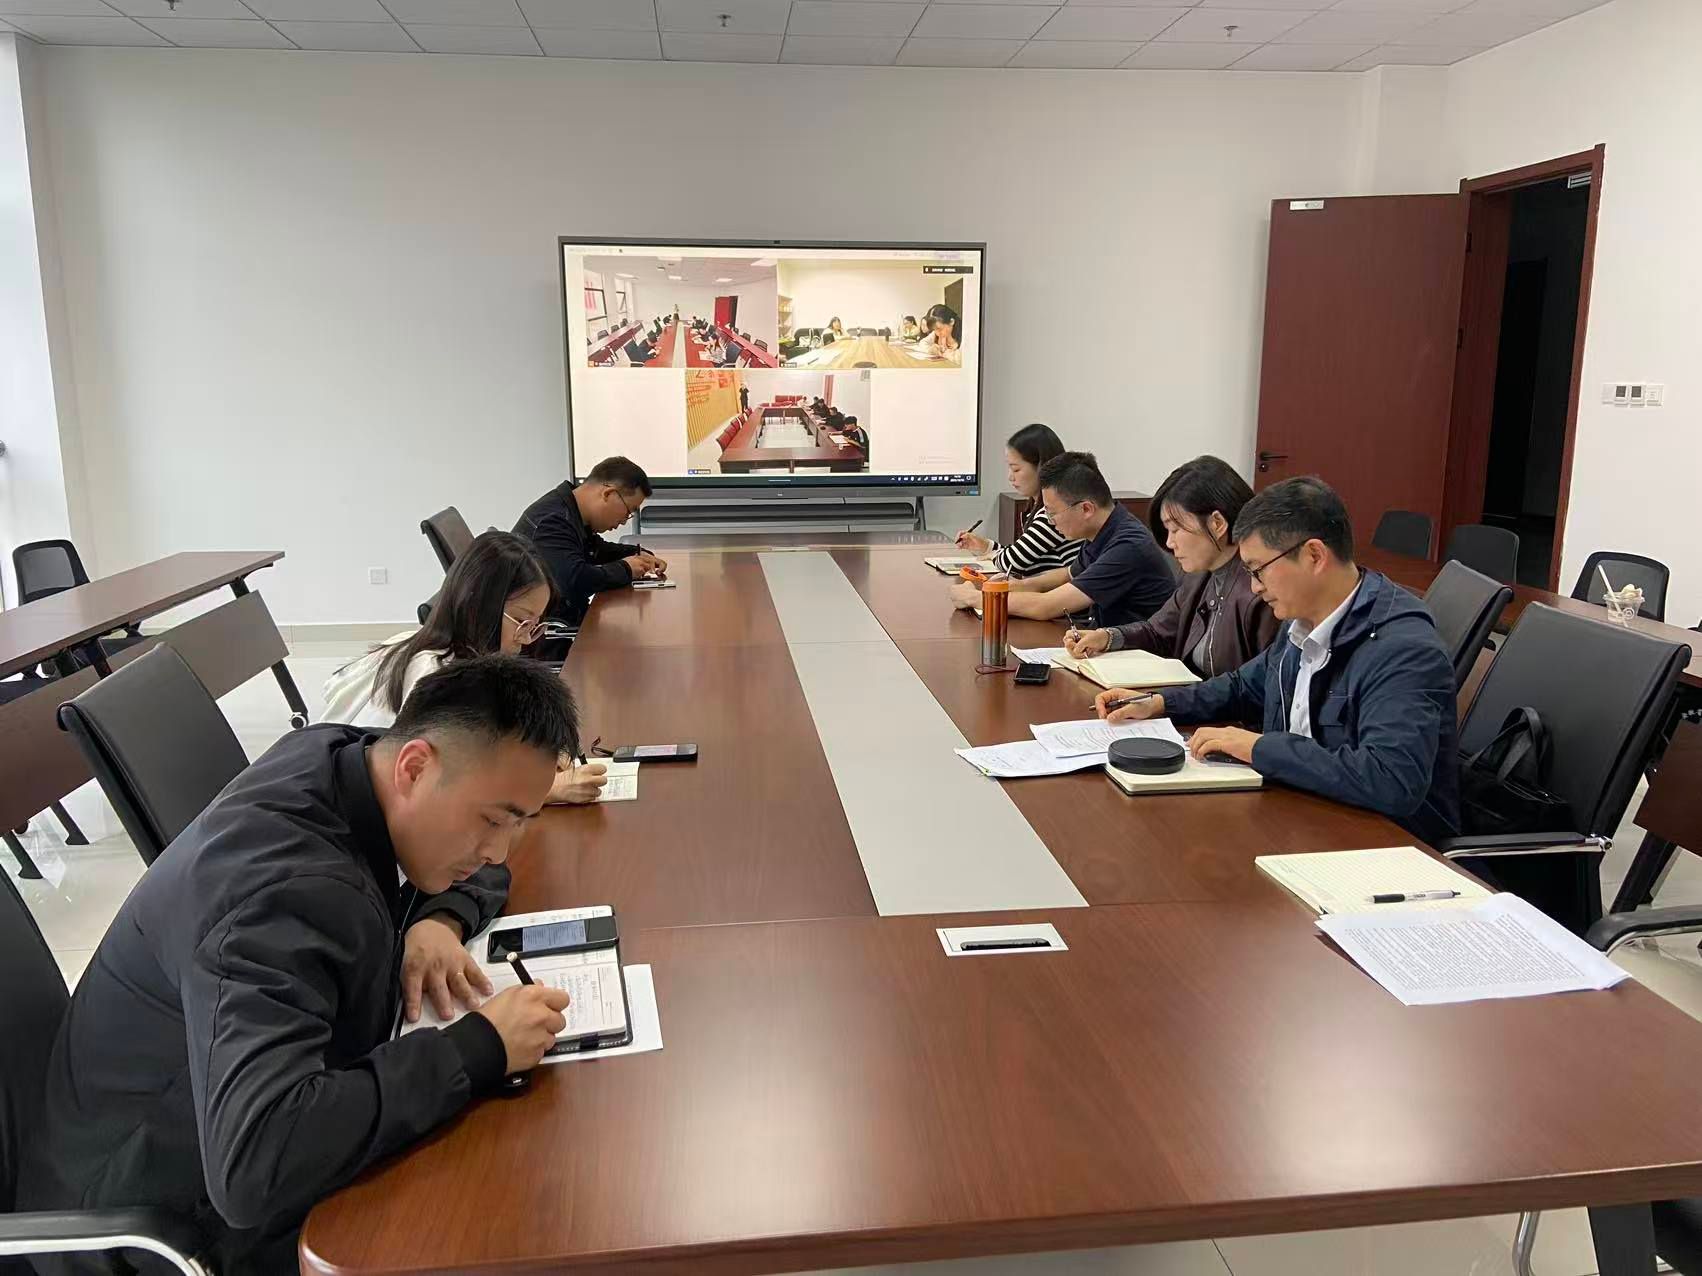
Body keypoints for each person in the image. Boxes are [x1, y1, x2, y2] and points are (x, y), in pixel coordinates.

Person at [21, 656, 580, 1273]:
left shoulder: (352, 761)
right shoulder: (278, 896)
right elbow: (255, 1164)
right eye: (493, 820)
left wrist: (438, 919)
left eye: (517, 823)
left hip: (226, 1125)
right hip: (147, 1226)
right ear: (414, 768)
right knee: (508, 1218)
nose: (498, 851)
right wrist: (478, 1048)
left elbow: (480, 862)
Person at [1094, 475, 1459, 843]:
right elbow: (1242, 686)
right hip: (1298, 814)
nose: (1254, 587)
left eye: (1258, 570)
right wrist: (1158, 703)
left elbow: (1390, 779)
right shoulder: (1302, 620)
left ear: (1314, 556)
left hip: (1380, 845)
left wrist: (1258, 747)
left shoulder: (1402, 649)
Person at [321, 530, 607, 803]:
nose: (525, 638)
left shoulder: (441, 652)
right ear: (479, 604)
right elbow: (429, 793)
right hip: (345, 812)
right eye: (522, 621)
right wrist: (545, 790)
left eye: (535, 625)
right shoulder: (437, 676)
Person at [1062, 455, 1278, 680]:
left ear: (1217, 523)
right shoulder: (1198, 575)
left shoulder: (1262, 591)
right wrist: (1107, 637)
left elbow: (1253, 686)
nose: (1169, 543)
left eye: (1175, 529)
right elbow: (1157, 631)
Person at [952, 451, 1171, 625]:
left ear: (1086, 509)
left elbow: (1046, 606)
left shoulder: (1128, 546)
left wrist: (976, 598)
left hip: (1139, 657)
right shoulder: (1106, 528)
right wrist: (1014, 586)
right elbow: (1067, 574)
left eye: (1052, 513)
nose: (1050, 521)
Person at [513, 455, 665, 628]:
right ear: (608, 494)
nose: (624, 521)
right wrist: (626, 569)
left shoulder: (568, 509)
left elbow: (596, 549)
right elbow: (575, 580)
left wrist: (636, 553)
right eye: (628, 511)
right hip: (547, 633)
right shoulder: (552, 520)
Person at [954, 423, 1083, 578]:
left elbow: (1012, 562)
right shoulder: (1035, 509)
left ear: (1042, 467)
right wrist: (985, 546)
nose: (1010, 477)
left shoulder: (1052, 515)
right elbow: (1019, 555)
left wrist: (994, 554)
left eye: (1016, 469)